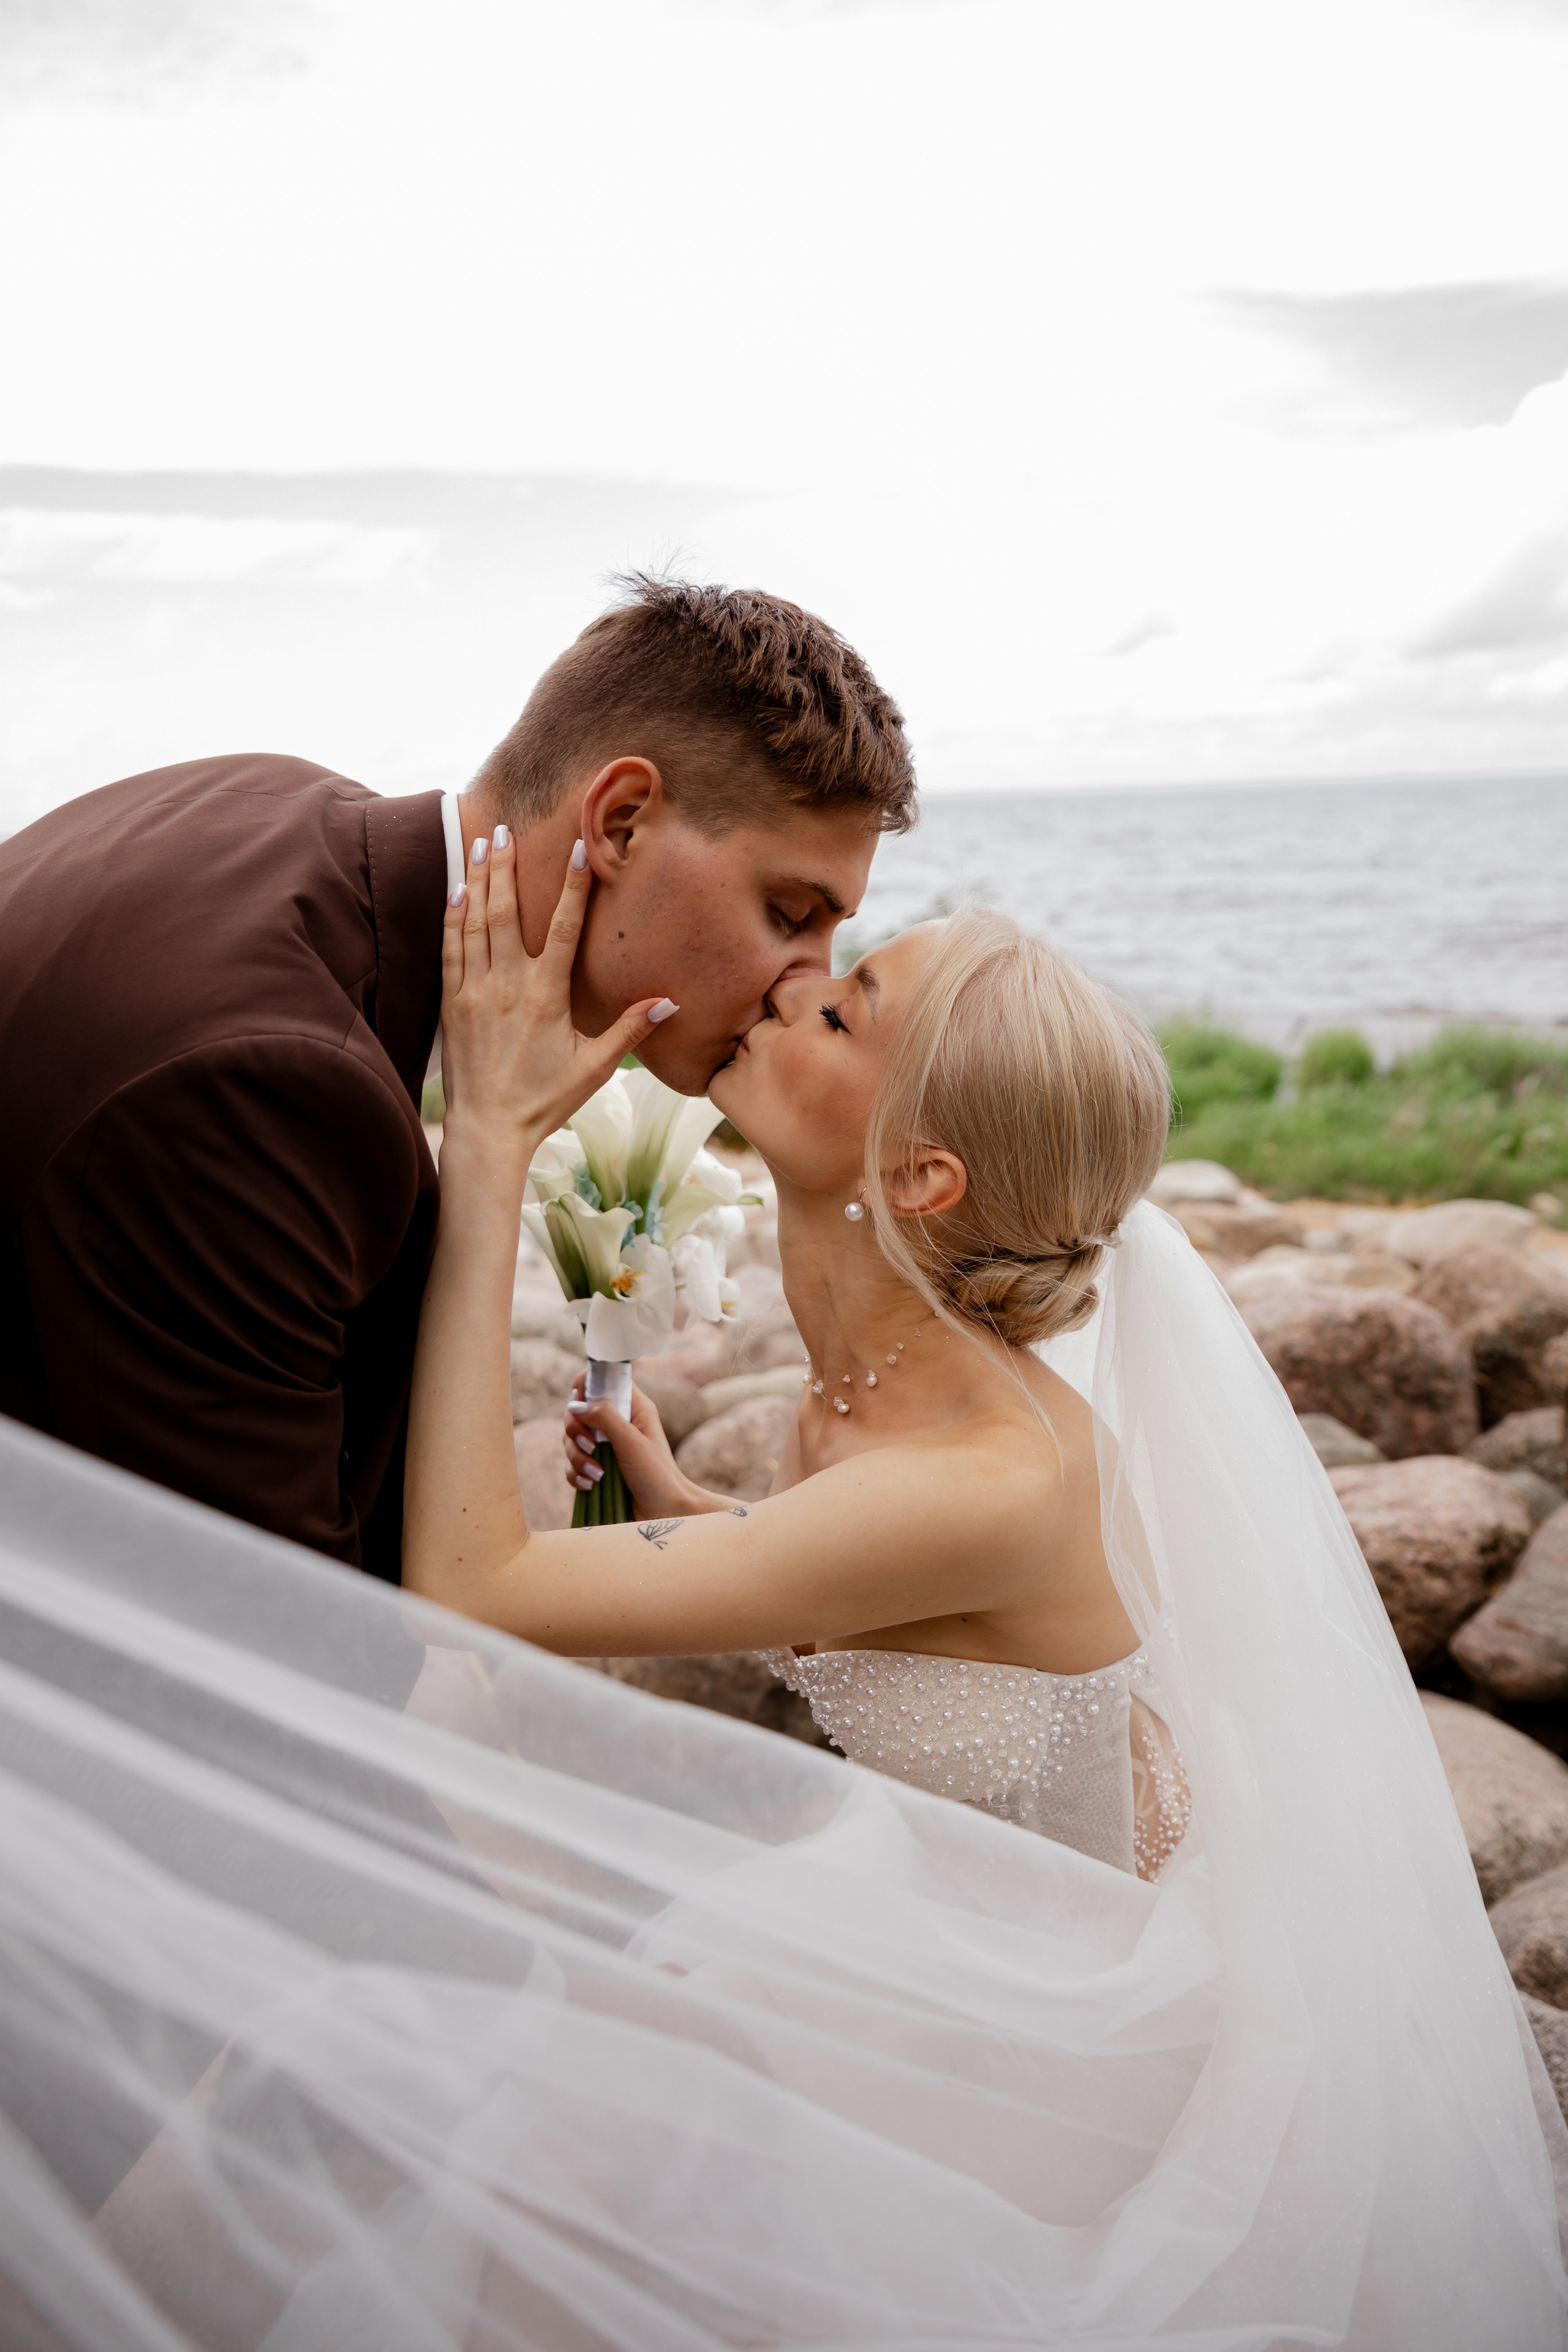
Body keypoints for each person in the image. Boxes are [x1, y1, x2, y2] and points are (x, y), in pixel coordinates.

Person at [2, 842, 1566, 2346]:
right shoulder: (874, 1403)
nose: (782, 991)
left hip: (1073, 2027)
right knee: (521, 2109)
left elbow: (474, 1588)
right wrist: (685, 1512)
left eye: (842, 1008)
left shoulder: (980, 1477)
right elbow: (887, 1613)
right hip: (940, 1919)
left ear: (924, 1172)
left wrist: (486, 1145)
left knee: (545, 2133)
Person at [0, 578, 913, 1579]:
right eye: (789, 913)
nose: (810, 983)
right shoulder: (271, 1088)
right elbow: (272, 1649)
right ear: (620, 823)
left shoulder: (269, 797)